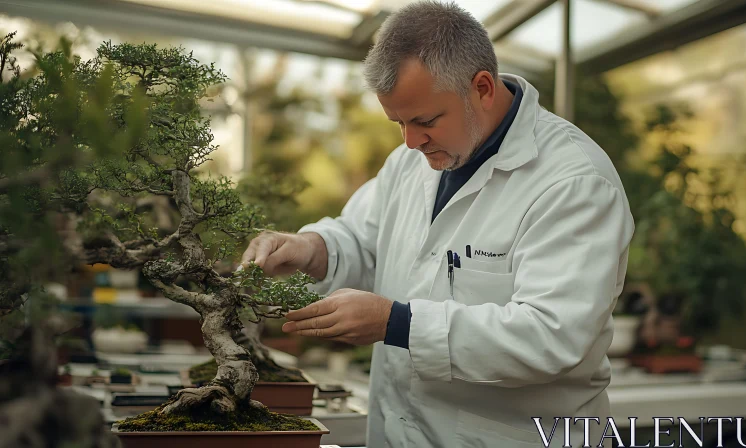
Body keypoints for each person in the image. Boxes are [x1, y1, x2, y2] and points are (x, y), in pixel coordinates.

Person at [241, 1, 634, 446]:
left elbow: (552, 336)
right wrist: (313, 248)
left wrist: (399, 324)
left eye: (425, 120)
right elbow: (364, 241)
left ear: (482, 87)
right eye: (399, 123)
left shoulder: (573, 182)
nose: (410, 141)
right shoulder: (410, 162)